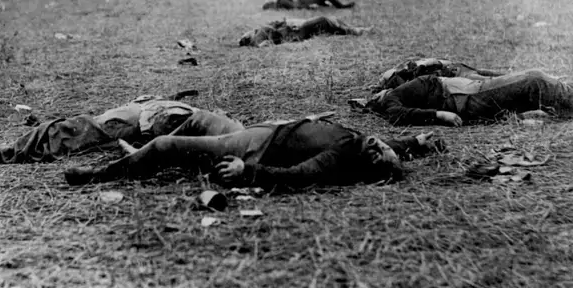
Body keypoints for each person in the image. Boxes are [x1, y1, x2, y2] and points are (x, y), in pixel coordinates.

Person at [64, 115, 442, 189]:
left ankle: (100, 174)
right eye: (382, 147)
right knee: (201, 119)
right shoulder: (362, 144)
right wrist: (415, 143)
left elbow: (300, 176)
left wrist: (247, 173)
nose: (377, 146)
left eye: (378, 155)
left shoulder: (342, 156)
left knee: (167, 146)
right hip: (261, 130)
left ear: (368, 166)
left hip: (255, 148)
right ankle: (140, 154)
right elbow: (385, 147)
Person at [0, 94, 244, 166]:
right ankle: (6, 150)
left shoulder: (215, 132)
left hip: (128, 126)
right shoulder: (218, 124)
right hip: (134, 116)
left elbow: (169, 141)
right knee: (64, 129)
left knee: (62, 132)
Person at [365, 69, 573, 126]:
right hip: (467, 97)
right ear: (376, 102)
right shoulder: (390, 99)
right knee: (534, 80)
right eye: (375, 96)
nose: (378, 92)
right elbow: (397, 115)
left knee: (533, 83)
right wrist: (439, 115)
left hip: (469, 91)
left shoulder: (398, 91)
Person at [374, 58, 505, 91]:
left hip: (457, 68)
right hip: (459, 75)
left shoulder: (417, 67)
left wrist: (424, 65)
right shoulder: (416, 81)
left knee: (495, 75)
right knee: (492, 80)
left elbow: (437, 62)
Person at [239, 16, 369, 47]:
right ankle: (354, 31)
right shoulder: (258, 34)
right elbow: (263, 44)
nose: (247, 32)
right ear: (247, 37)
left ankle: (354, 29)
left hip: (294, 31)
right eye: (245, 34)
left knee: (329, 23)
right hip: (295, 34)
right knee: (323, 20)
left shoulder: (259, 33)